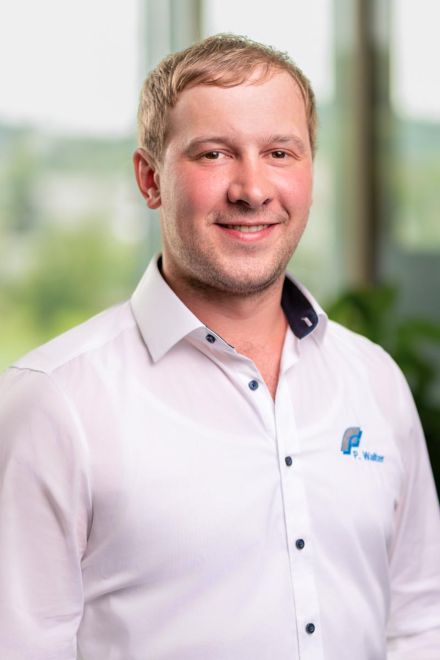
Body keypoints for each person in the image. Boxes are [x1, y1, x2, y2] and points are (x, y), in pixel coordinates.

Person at [0, 33, 439, 660]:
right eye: (213, 154)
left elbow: (420, 622)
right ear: (150, 179)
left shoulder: (374, 380)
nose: (252, 189)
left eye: (280, 153)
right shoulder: (53, 401)